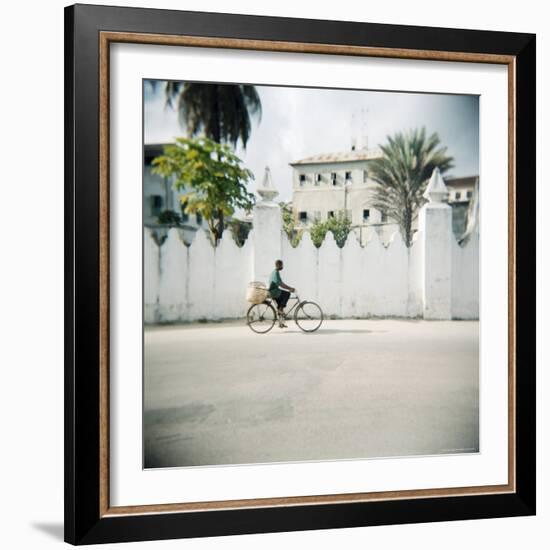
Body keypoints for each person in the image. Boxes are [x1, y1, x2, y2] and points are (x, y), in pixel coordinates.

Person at [268, 259, 295, 328]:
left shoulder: (275, 272)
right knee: (287, 294)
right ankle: (280, 310)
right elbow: (281, 284)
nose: (282, 266)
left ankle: (281, 323)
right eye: (282, 265)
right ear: (278, 265)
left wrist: (289, 288)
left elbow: (280, 283)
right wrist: (290, 288)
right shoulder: (276, 273)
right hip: (274, 292)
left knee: (280, 305)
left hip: (274, 291)